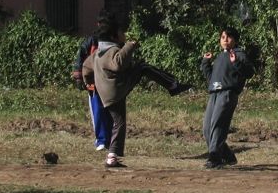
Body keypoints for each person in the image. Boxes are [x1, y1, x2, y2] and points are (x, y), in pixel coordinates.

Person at [82, 17, 187, 168]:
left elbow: (86, 67)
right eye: (121, 32)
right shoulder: (111, 51)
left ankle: (112, 157)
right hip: (117, 89)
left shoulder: (97, 53)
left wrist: (88, 83)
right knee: (143, 68)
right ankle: (173, 86)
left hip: (108, 93)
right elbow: (117, 64)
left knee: (118, 123)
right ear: (114, 36)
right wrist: (130, 46)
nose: (124, 34)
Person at [201, 26, 255, 169]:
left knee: (218, 125)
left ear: (235, 40)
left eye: (229, 37)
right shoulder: (220, 56)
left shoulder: (238, 54)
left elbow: (249, 72)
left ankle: (215, 158)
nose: (225, 40)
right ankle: (228, 155)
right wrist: (205, 63)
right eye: (223, 37)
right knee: (207, 129)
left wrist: (236, 62)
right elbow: (211, 78)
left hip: (227, 94)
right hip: (214, 93)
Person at [71, 11, 113, 151]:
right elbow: (81, 57)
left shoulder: (114, 40)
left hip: (108, 81)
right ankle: (101, 140)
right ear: (99, 24)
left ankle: (109, 138)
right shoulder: (91, 40)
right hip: (91, 81)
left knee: (110, 110)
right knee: (96, 108)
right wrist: (78, 76)